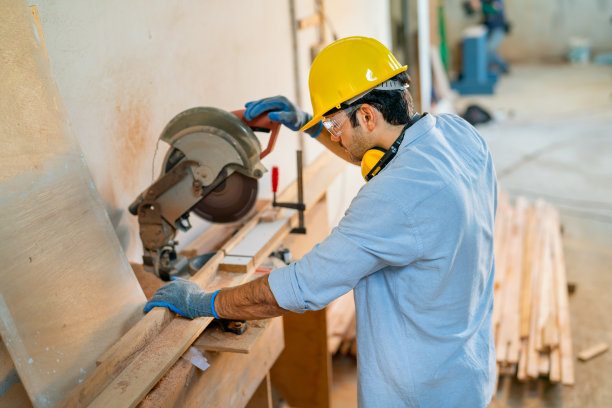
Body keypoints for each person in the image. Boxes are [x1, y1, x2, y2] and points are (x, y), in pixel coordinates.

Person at [145, 36, 498, 407]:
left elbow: (300, 288)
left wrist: (205, 303)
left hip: (420, 394)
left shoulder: (391, 199)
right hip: (467, 370)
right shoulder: (458, 135)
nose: (335, 137)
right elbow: (379, 155)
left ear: (366, 115)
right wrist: (306, 123)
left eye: (334, 126)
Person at [478, 0, 510, 74]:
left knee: (488, 49)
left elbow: (494, 9)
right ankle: (493, 67)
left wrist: (480, 6)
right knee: (485, 50)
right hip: (487, 30)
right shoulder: (484, 2)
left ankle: (502, 66)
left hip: (498, 29)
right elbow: (471, 9)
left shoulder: (497, 2)